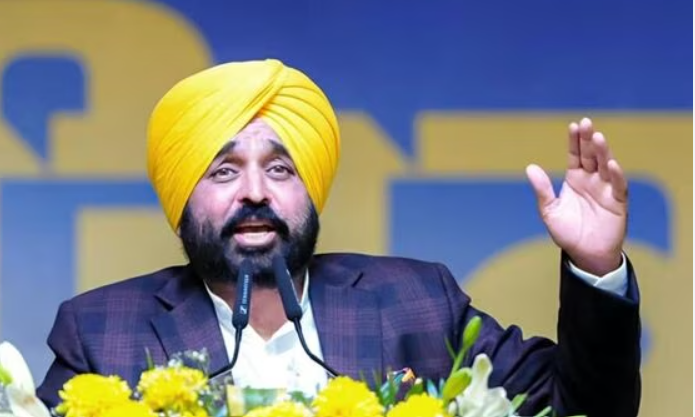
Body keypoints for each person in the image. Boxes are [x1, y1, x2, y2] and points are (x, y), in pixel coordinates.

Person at [36, 59, 640, 417]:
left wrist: (595, 264)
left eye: (280, 169)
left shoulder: (417, 302)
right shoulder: (100, 332)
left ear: (312, 191)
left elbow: (584, 409)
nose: (255, 192)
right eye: (223, 171)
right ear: (180, 200)